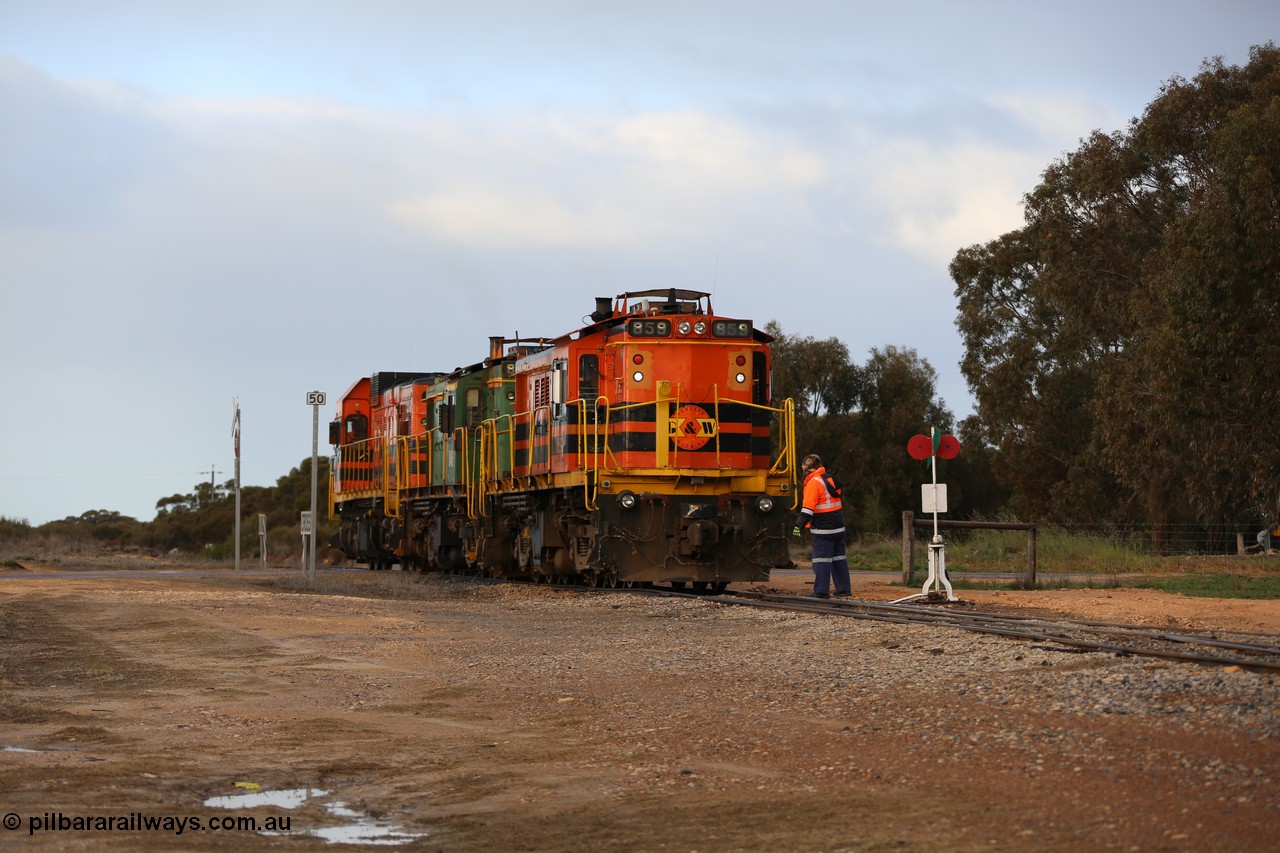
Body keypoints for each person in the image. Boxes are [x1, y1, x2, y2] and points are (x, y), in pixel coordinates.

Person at [793, 453, 851, 598]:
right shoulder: (829, 478)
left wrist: (798, 526)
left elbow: (807, 510)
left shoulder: (813, 483)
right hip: (839, 526)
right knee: (839, 558)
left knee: (821, 560)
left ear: (806, 469)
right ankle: (844, 589)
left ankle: (820, 591)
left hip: (824, 528)